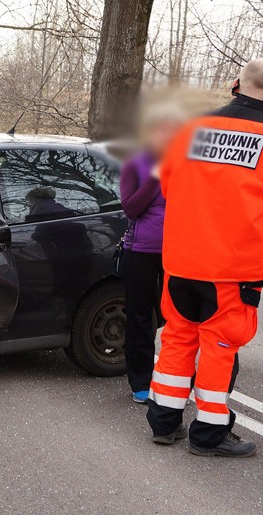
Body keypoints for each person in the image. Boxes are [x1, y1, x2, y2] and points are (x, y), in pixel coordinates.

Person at [146, 59, 263, 457]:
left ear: (236, 84)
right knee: (219, 350)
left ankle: (164, 424)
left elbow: (166, 184)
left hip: (182, 261)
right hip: (233, 270)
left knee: (177, 340)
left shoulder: (190, 129)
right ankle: (210, 435)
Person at [119, 108, 183, 404]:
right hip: (141, 252)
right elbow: (131, 209)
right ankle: (141, 380)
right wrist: (157, 176)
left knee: (178, 318)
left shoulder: (185, 164)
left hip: (179, 252)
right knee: (140, 317)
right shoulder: (135, 164)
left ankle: (175, 378)